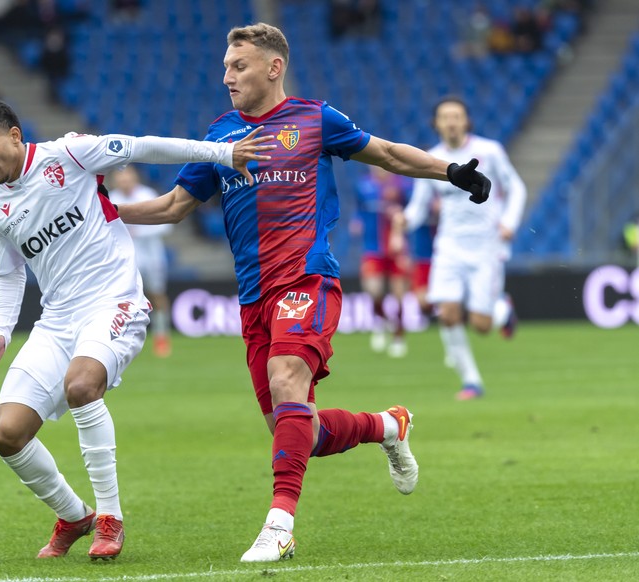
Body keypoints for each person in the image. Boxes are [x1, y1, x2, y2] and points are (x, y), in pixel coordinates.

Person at [115, 23, 491, 562]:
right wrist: (107, 212)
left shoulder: (315, 119)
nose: (227, 76)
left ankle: (280, 525)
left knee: (287, 378)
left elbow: (386, 154)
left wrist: (449, 171)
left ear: (273, 67)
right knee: (299, 431)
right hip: (253, 299)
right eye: (225, 66)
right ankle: (388, 425)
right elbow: (175, 205)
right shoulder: (219, 135)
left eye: (238, 66)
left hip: (307, 278)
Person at [0, 97, 272, 561]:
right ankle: (73, 515)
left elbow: (144, 147)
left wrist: (222, 154)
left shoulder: (70, 154)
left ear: (15, 135)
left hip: (113, 302)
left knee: (82, 386)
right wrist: (0, 332)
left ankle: (109, 519)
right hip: (57, 321)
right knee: (5, 433)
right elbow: (10, 275)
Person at [391, 96, 526, 400]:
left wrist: (510, 222)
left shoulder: (489, 151)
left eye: (456, 116)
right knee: (448, 313)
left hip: (486, 246)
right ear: (436, 123)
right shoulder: (432, 159)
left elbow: (516, 186)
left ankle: (503, 311)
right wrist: (404, 221)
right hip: (449, 246)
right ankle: (471, 381)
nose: (451, 121)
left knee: (481, 324)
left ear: (466, 121)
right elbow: (419, 208)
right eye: (445, 116)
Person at [108, 165, 174, 357]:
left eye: (128, 178)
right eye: (121, 179)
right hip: (123, 258)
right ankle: (121, 339)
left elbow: (165, 224)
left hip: (152, 254)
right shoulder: (110, 198)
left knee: (157, 295)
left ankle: (162, 336)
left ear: (135, 178)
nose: (124, 182)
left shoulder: (147, 194)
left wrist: (138, 230)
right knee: (121, 297)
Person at [354, 165, 413, 357]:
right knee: (374, 291)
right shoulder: (364, 186)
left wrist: (402, 232)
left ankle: (398, 336)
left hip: (397, 249)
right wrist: (357, 220)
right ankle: (381, 323)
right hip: (373, 248)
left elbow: (411, 212)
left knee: (399, 295)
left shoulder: (402, 186)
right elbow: (359, 209)